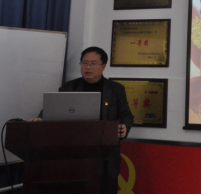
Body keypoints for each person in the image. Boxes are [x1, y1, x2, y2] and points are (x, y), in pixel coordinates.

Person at [31, 47, 134, 194]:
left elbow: (126, 115)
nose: (88, 67)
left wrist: (124, 126)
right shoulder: (69, 87)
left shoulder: (116, 89)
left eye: (93, 63)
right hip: (73, 156)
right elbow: (52, 110)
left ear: (103, 66)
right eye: (85, 63)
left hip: (105, 158)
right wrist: (41, 119)